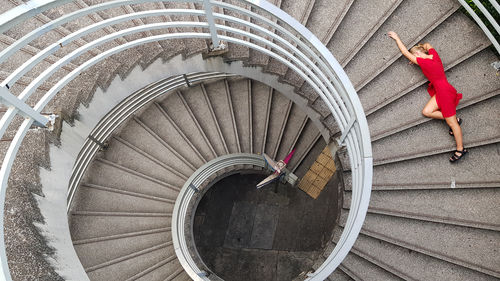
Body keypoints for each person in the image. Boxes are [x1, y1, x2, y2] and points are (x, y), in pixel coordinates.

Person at [387, 31, 467, 162]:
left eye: (414, 57)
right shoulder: (434, 56)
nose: (412, 60)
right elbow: (428, 45)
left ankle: (460, 149)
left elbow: (405, 53)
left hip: (444, 94)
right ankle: (455, 119)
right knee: (427, 112)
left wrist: (397, 38)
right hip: (443, 89)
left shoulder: (424, 63)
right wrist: (421, 50)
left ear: (417, 54)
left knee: (452, 124)